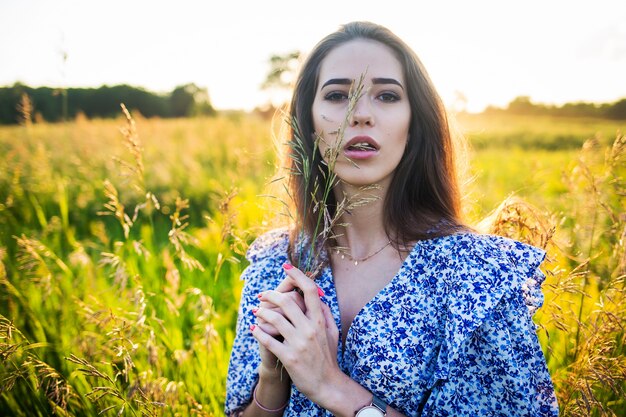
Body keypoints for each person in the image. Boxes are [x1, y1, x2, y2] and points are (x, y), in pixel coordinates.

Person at [225, 21, 559, 417]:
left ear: (414, 123)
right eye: (337, 95)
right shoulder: (277, 261)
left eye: (386, 95)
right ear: (309, 124)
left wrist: (331, 386)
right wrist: (272, 381)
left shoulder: (475, 278)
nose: (361, 114)